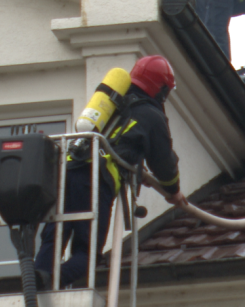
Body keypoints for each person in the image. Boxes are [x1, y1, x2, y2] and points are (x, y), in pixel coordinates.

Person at [34, 55, 187, 288]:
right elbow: (164, 162)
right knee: (88, 254)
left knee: (53, 238)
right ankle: (48, 283)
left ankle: (34, 283)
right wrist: (173, 190)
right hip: (95, 181)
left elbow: (118, 142)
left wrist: (136, 166)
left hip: (67, 173)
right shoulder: (151, 115)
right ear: (161, 89)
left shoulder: (113, 102)